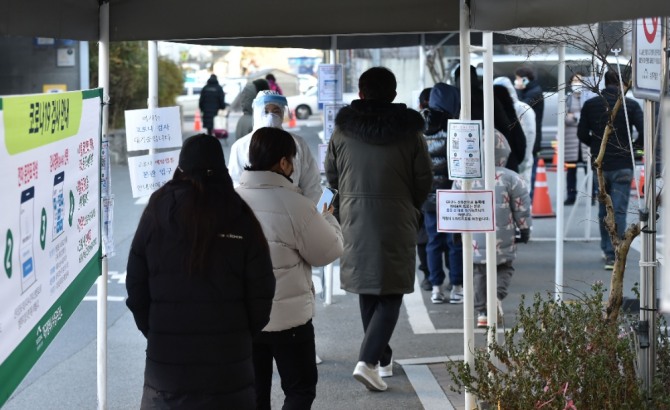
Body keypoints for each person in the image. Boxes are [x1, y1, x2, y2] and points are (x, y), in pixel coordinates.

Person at [126, 134, 276, 409]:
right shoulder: (241, 215)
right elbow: (263, 292)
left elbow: (136, 288)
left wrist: (158, 331)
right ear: (223, 171)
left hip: (167, 374)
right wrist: (241, 333)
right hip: (229, 371)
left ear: (180, 169)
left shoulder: (156, 211)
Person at [324, 67, 432, 392]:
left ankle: (381, 358)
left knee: (370, 287)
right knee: (391, 291)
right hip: (396, 216)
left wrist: (347, 205)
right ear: (394, 95)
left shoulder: (342, 132)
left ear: (360, 93)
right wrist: (408, 207)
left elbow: (332, 177)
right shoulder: (411, 134)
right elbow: (423, 180)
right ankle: (369, 360)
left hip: (355, 217)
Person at [236, 127, 343, 409]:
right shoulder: (298, 205)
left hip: (244, 319)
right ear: (283, 162)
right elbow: (328, 251)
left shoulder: (230, 201)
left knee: (253, 395)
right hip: (290, 323)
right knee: (300, 390)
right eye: (292, 160)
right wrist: (328, 218)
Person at [455, 131, 532, 328]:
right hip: (503, 233)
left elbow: (455, 205)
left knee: (479, 271)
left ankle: (482, 312)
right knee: (505, 266)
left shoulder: (465, 178)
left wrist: (456, 231)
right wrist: (524, 229)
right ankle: (497, 295)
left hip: (474, 235)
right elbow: (521, 206)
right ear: (504, 151)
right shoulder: (511, 178)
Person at [577, 70, 643, 270]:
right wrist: (633, 148)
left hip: (601, 164)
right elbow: (643, 132)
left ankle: (607, 251)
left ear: (604, 83)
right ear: (623, 84)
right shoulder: (630, 105)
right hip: (623, 164)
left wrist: (596, 145)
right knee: (620, 210)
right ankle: (617, 252)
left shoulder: (590, 104)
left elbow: (581, 133)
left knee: (603, 209)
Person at [228, 90, 322, 203]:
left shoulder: (298, 144)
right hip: (255, 208)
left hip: (291, 207)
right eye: (266, 111)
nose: (271, 116)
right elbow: (234, 183)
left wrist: (311, 212)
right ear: (257, 112)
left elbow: (311, 183)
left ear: (283, 113)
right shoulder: (241, 146)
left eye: (276, 111)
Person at [421, 83, 464, 304]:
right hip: (453, 194)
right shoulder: (456, 125)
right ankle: (457, 286)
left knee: (433, 242)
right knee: (455, 242)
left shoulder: (420, 125)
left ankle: (436, 287)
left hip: (428, 197)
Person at [454, 65, 526, 172]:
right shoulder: (488, 98)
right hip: (496, 157)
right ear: (476, 78)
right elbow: (506, 126)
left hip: (465, 160)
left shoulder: (454, 100)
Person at [493, 77, 536, 187]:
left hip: (517, 162)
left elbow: (529, 135)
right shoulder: (493, 111)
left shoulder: (521, 109)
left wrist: (523, 161)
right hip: (514, 162)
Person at [514, 66, 544, 199]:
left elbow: (521, 109)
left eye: (518, 79)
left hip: (531, 138)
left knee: (529, 168)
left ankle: (528, 198)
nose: (516, 82)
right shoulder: (531, 91)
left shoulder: (534, 93)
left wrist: (518, 91)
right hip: (529, 136)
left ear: (525, 79)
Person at [564, 73, 592, 205]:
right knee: (571, 170)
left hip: (586, 140)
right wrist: (578, 117)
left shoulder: (588, 98)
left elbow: (590, 118)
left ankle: (592, 194)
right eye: (575, 80)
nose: (577, 83)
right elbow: (564, 118)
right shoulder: (567, 99)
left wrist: (573, 116)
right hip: (571, 140)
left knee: (589, 168)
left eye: (580, 80)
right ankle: (571, 195)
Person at [417, 87, 433, 291]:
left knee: (423, 237)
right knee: (449, 237)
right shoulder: (454, 122)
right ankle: (456, 282)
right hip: (450, 190)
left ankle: (429, 276)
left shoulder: (411, 128)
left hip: (422, 195)